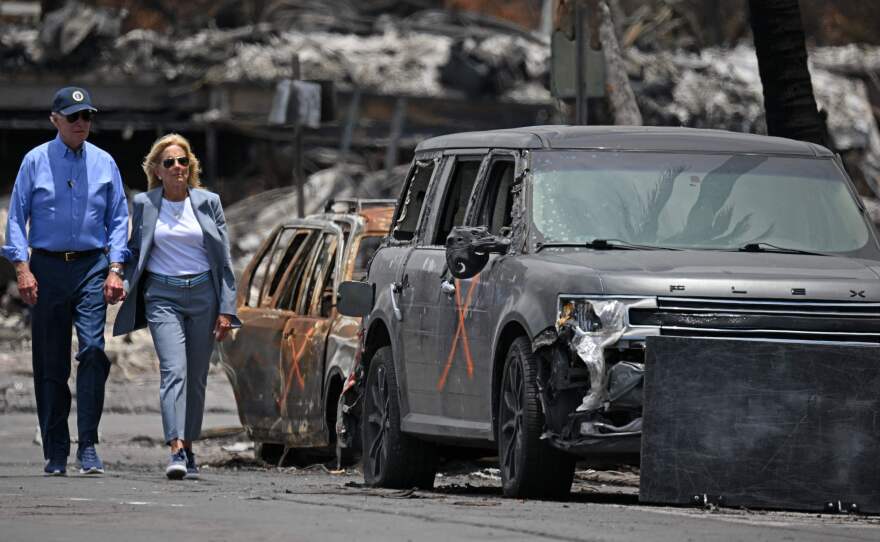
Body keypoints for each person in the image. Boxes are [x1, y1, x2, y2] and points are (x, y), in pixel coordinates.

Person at [2, 86, 129, 476]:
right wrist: (22, 269)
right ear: (55, 119)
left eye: (87, 117)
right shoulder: (34, 161)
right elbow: (15, 218)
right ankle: (56, 449)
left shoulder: (105, 162)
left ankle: (88, 445)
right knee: (50, 362)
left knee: (93, 350)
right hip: (48, 268)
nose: (81, 124)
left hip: (91, 266)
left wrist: (115, 268)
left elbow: (119, 219)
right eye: (73, 117)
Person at [113, 133, 240, 480]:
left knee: (197, 378)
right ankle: (176, 447)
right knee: (174, 370)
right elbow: (134, 252)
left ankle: (190, 445)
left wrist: (227, 309)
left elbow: (224, 259)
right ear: (157, 168)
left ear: (191, 166)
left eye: (183, 161)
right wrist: (119, 280)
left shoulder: (208, 202)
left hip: (203, 295)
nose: (177, 167)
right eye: (169, 162)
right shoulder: (144, 204)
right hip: (162, 297)